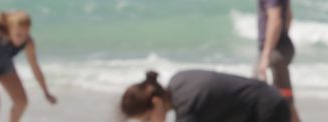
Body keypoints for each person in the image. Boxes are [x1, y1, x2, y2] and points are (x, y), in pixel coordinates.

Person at [237, 0, 300, 122]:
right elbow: (289, 16)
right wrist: (282, 39)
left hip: (273, 50)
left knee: (254, 95)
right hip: (283, 46)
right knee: (285, 97)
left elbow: (276, 19)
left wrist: (266, 53)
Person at [119, 69, 291, 122]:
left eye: (147, 120)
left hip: (267, 110)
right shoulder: (179, 80)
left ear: (156, 102)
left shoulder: (186, 107)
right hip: (269, 97)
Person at [0, 11, 57, 122]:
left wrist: (46, 92)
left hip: (5, 67)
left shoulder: (28, 42)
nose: (22, 39)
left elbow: (35, 67)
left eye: (25, 34)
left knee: (21, 102)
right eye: (18, 35)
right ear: (8, 29)